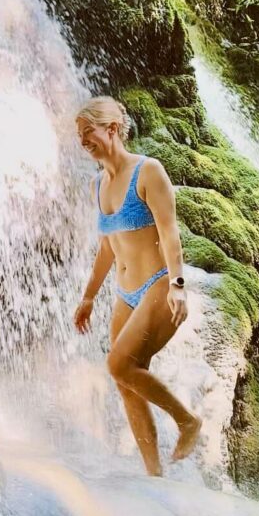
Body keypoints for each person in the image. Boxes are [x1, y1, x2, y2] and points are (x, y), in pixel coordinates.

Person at [74, 95, 202, 477]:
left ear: (111, 129)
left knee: (118, 363)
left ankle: (187, 421)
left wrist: (178, 285)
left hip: (159, 284)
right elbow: (107, 248)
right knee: (126, 381)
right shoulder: (98, 184)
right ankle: (154, 475)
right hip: (124, 294)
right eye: (79, 135)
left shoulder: (149, 172)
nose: (82, 141)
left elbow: (170, 232)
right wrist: (89, 296)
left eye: (87, 132)